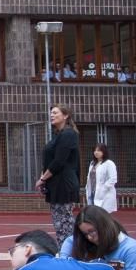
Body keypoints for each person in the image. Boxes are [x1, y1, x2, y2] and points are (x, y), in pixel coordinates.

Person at [59, 205, 136, 270]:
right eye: (85, 234)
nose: (89, 238)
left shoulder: (132, 250)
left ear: (104, 226)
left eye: (92, 231)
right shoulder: (79, 242)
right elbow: (63, 264)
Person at [36, 104, 81, 244]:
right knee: (59, 221)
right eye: (51, 113)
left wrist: (43, 179)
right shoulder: (58, 135)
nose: (52, 115)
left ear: (65, 115)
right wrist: (44, 176)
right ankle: (68, 249)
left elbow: (59, 161)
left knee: (64, 222)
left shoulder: (68, 134)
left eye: (55, 112)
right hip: (56, 184)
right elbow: (51, 160)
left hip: (64, 184)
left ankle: (69, 251)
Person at [86, 143, 118, 213]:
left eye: (99, 150)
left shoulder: (109, 163)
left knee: (103, 215)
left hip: (105, 194)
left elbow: (113, 179)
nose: (96, 152)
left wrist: (103, 188)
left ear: (104, 151)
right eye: (95, 150)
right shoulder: (92, 163)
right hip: (92, 193)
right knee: (93, 215)